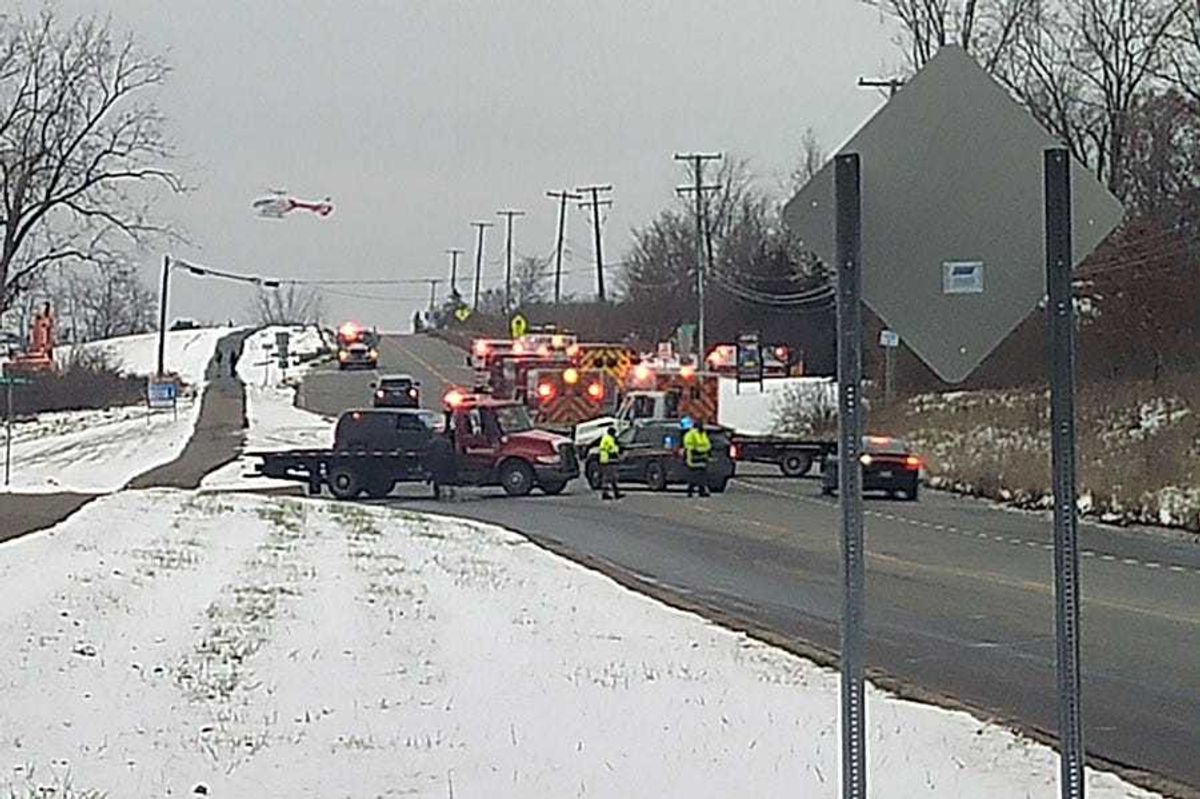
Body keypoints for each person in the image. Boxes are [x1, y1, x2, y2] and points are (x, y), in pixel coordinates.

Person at [683, 419, 713, 498]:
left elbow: (707, 444)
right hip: (694, 456)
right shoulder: (691, 434)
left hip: (702, 457)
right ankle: (691, 491)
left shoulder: (702, 433)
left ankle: (701, 491)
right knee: (695, 475)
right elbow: (689, 446)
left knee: (702, 475)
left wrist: (707, 452)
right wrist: (697, 450)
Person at [427, 434, 458, 500]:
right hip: (445, 462)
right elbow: (451, 452)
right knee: (447, 478)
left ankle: (442, 493)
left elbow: (429, 453)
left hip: (436, 462)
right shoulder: (447, 442)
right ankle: (448, 492)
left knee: (439, 478)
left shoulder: (432, 442)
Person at [597, 425, 623, 500]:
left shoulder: (605, 438)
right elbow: (612, 449)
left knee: (607, 477)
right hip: (609, 459)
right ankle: (612, 493)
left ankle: (610, 493)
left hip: (604, 459)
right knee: (611, 477)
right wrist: (618, 450)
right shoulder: (610, 439)